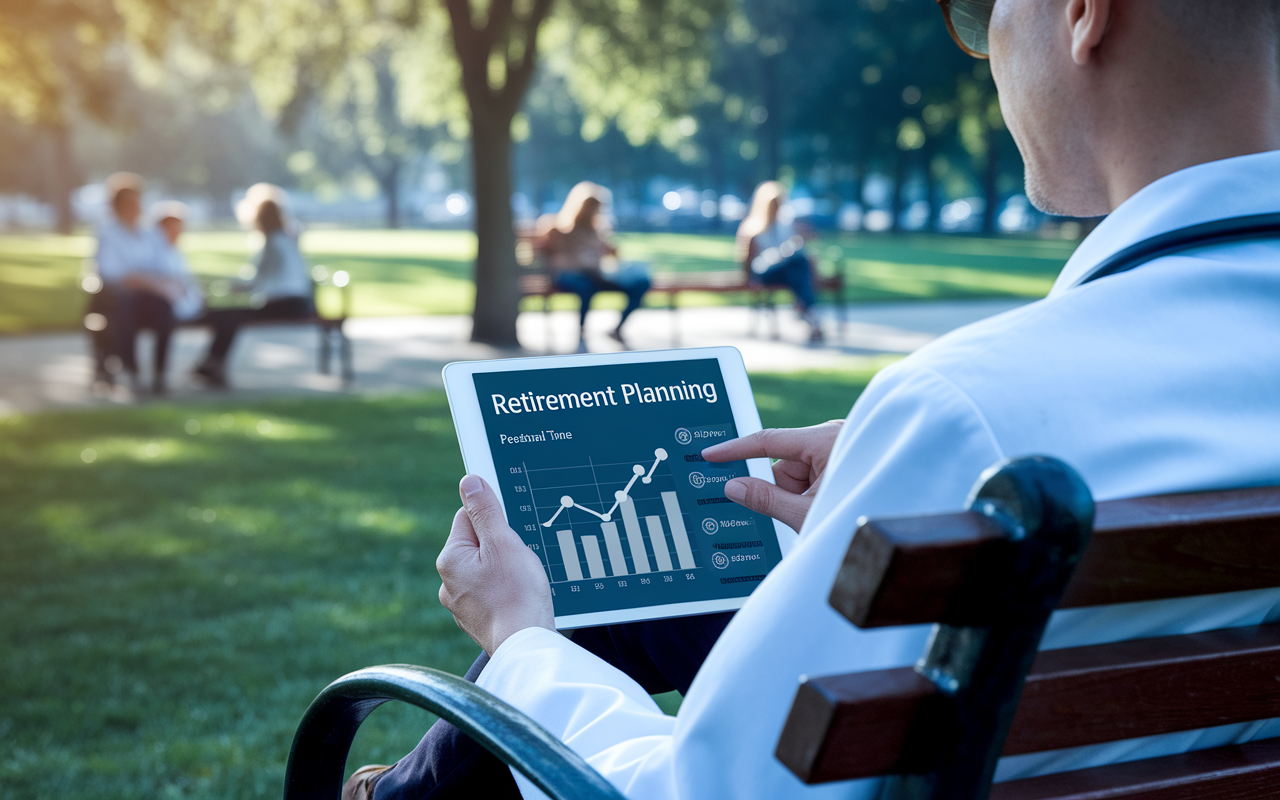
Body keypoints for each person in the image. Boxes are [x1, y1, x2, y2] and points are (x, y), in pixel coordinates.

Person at [352, 1, 1280, 798]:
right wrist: (886, 490)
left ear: (1084, 11)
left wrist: (519, 644)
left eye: (976, 9)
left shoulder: (972, 418)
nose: (985, 43)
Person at [193, 187, 314, 388]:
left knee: (229, 316)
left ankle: (213, 364)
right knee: (229, 315)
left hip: (284, 301)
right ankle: (212, 364)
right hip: (296, 300)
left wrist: (229, 287)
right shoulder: (286, 238)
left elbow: (257, 280)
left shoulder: (273, 241)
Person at [91, 173, 178, 396]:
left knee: (164, 309)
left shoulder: (150, 234)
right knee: (126, 306)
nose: (135, 207)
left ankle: (160, 372)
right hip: (118, 297)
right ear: (117, 206)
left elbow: (163, 267)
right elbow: (114, 274)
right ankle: (131, 370)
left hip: (149, 295)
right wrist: (148, 281)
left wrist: (150, 282)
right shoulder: (108, 233)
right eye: (129, 202)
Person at [541, 182, 650, 351]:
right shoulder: (560, 228)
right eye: (590, 207)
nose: (593, 212)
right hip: (571, 275)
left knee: (642, 282)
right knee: (586, 286)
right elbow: (554, 257)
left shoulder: (597, 231)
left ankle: (617, 328)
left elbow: (611, 257)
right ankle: (582, 329)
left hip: (596, 274)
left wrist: (611, 254)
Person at [736, 181, 823, 342]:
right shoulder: (754, 226)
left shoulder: (786, 225)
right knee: (798, 265)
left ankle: (806, 309)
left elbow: (806, 240)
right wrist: (748, 278)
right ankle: (808, 311)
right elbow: (747, 260)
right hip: (765, 271)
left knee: (798, 264)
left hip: (785, 271)